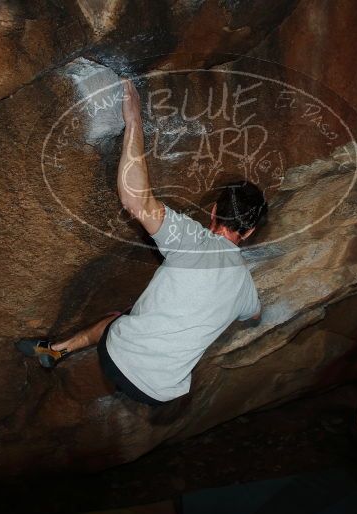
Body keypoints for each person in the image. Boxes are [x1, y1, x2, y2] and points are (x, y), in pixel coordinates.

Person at [16, 79, 266, 406]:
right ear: (248, 232)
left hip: (117, 358)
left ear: (215, 211)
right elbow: (254, 315)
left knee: (117, 319)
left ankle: (54, 351)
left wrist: (133, 121)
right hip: (160, 394)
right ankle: (55, 354)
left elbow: (138, 201)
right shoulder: (245, 286)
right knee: (129, 316)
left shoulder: (193, 240)